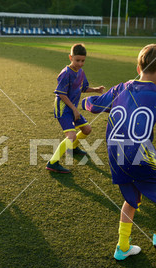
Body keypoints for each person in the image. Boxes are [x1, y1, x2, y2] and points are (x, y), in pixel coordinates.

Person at [82, 44, 156, 261]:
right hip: (138, 153)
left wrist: (88, 100)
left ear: (138, 66)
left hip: (115, 154)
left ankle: (122, 247)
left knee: (133, 199)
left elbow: (92, 105)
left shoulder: (120, 88)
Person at [46, 43, 105, 173]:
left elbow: (83, 88)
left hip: (72, 108)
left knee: (87, 129)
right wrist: (74, 109)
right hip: (63, 107)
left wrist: (95, 89)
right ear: (70, 57)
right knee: (71, 135)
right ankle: (52, 162)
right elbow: (61, 93)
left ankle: (72, 148)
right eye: (77, 60)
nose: (80, 63)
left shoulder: (81, 72)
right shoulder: (66, 73)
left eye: (83, 61)